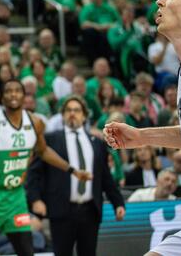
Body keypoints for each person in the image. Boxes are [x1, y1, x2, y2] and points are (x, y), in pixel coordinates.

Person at [0, 80, 92, 256]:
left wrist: (73, 170)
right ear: (2, 97)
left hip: (15, 197)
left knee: (27, 251)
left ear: (24, 95)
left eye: (17, 91)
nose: (13, 94)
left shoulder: (35, 122)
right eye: (8, 91)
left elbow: (43, 151)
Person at [26, 96, 125, 256]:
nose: (72, 114)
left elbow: (105, 177)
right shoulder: (50, 139)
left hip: (90, 209)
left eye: (77, 110)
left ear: (84, 115)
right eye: (68, 110)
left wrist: (118, 203)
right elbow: (34, 173)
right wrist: (35, 199)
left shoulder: (97, 142)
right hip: (61, 209)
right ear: (63, 115)